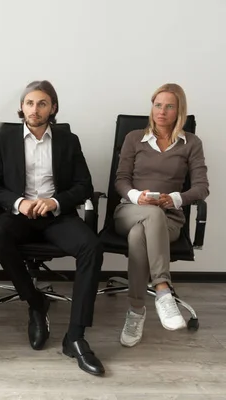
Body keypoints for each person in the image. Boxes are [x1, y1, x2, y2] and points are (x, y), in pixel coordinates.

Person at [0, 80, 105, 376]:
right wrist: (19, 203)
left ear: (53, 108)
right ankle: (36, 302)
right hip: (18, 214)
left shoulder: (67, 140)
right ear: (21, 108)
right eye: (30, 103)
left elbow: (84, 185)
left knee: (91, 247)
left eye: (42, 103)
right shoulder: (5, 138)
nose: (35, 109)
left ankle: (75, 337)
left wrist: (54, 202)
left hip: (56, 216)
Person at [114, 83, 209, 347]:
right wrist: (137, 196)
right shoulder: (134, 138)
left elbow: (202, 187)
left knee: (139, 234)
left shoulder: (191, 143)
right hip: (129, 210)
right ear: (152, 107)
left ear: (179, 110)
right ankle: (162, 290)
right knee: (147, 216)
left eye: (169, 106)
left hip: (169, 218)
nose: (162, 112)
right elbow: (120, 180)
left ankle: (135, 311)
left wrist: (175, 199)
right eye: (158, 105)